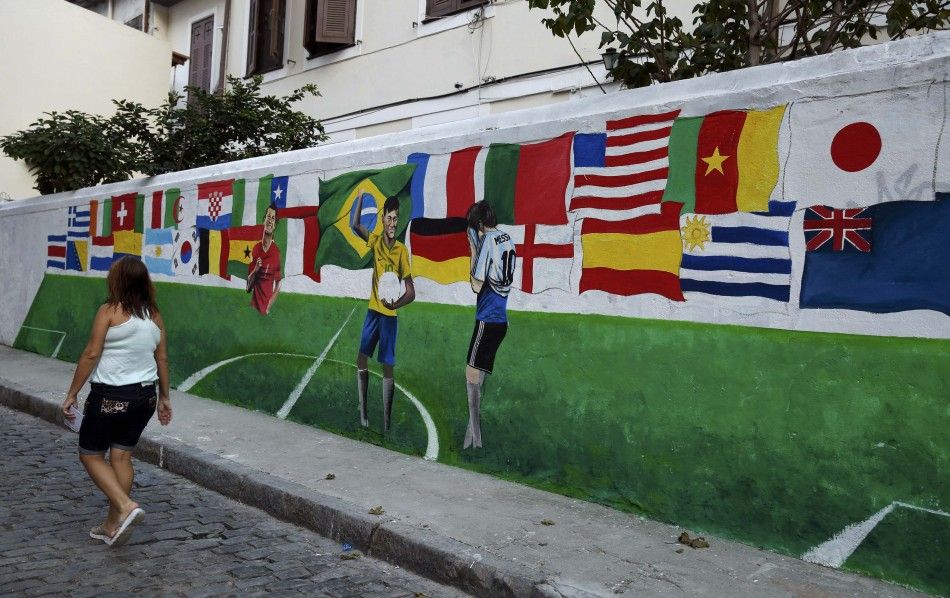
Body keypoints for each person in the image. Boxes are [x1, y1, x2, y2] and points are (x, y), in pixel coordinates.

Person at [61, 256, 172, 546]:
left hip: (110, 396)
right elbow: (161, 357)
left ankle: (125, 506)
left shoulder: (109, 311)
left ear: (117, 280)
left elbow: (90, 354)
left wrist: (72, 392)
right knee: (121, 456)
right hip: (145, 398)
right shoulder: (155, 315)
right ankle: (112, 525)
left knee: (90, 454)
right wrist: (165, 397)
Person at [350, 193, 415, 431]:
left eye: (396, 219)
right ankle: (364, 416)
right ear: (382, 219)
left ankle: (386, 425)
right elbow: (356, 225)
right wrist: (359, 198)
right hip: (372, 312)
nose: (393, 223)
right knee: (361, 359)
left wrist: (394, 305)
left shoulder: (401, 251)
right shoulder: (375, 242)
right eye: (389, 218)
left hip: (389, 316)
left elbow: (411, 292)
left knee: (387, 366)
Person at [464, 201, 516, 449]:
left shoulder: (486, 241)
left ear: (480, 225)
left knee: (471, 373)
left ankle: (477, 439)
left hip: (487, 317)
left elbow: (476, 284)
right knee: (479, 374)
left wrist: (473, 248)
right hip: (501, 320)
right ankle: (470, 440)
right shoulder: (507, 238)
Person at [246, 203, 282, 315]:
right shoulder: (256, 249)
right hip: (253, 308)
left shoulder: (276, 252)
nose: (270, 221)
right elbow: (248, 288)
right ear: (264, 220)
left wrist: (269, 305)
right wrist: (255, 270)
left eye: (273, 218)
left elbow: (279, 283)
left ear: (275, 225)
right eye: (268, 217)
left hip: (265, 310)